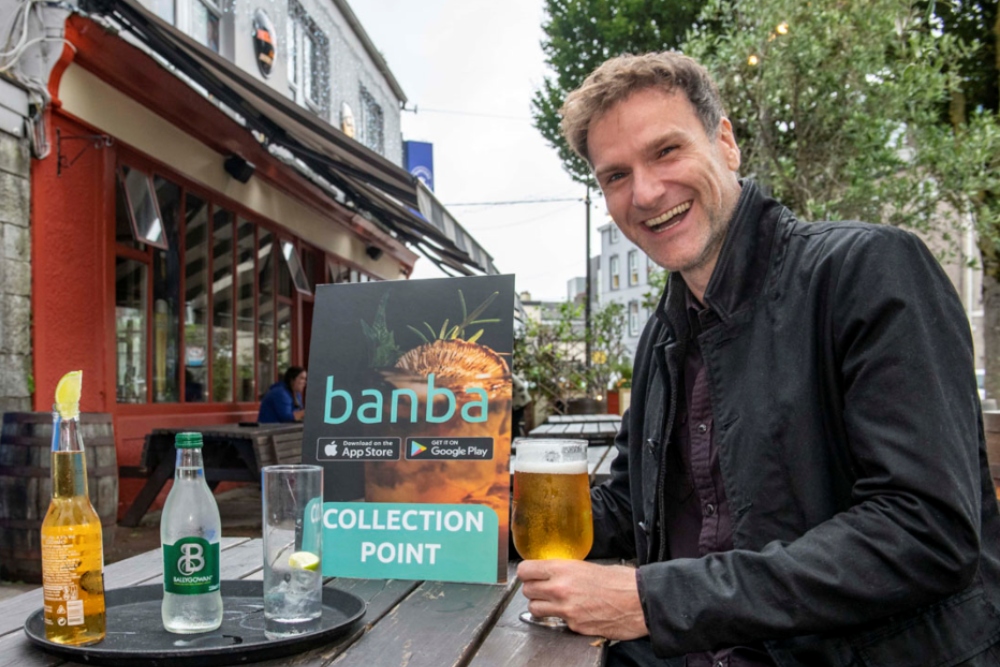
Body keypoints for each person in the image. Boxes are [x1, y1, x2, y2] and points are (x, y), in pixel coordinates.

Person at [517, 51, 1000, 666]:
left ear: (726, 143)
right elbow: (630, 509)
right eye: (615, 175)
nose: (644, 191)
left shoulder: (869, 271)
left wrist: (657, 601)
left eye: (666, 151)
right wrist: (483, 505)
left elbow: (924, 534)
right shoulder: (663, 336)